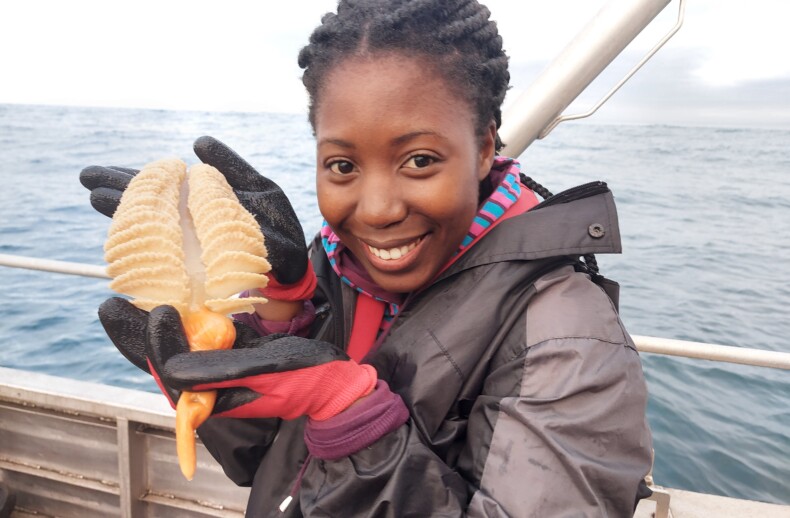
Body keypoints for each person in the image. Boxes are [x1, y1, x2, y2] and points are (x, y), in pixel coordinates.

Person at [80, 0, 653, 516]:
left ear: (482, 147)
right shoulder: (336, 270)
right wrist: (274, 317)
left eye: (420, 160)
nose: (376, 211)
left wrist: (351, 417)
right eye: (343, 166)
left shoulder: (568, 343)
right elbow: (264, 467)